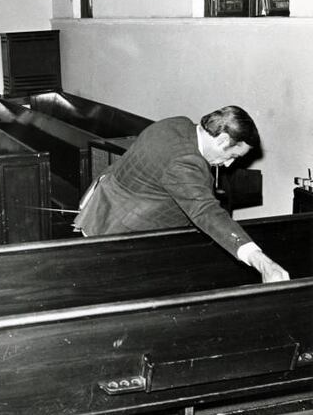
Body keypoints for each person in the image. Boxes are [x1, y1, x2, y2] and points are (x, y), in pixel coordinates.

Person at [73, 105, 290, 284]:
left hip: (105, 206)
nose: (230, 163)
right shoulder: (185, 162)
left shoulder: (178, 123)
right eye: (232, 155)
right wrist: (262, 262)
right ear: (222, 140)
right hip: (124, 231)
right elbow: (205, 211)